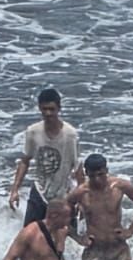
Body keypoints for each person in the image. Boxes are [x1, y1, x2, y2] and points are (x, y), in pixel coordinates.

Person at [8, 87, 83, 222]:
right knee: (30, 235)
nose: (48, 113)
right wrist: (15, 190)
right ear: (39, 108)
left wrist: (83, 198)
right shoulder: (33, 131)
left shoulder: (70, 134)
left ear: (59, 108)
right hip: (39, 190)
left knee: (68, 236)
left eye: (52, 109)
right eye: (44, 109)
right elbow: (25, 161)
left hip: (64, 193)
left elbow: (77, 167)